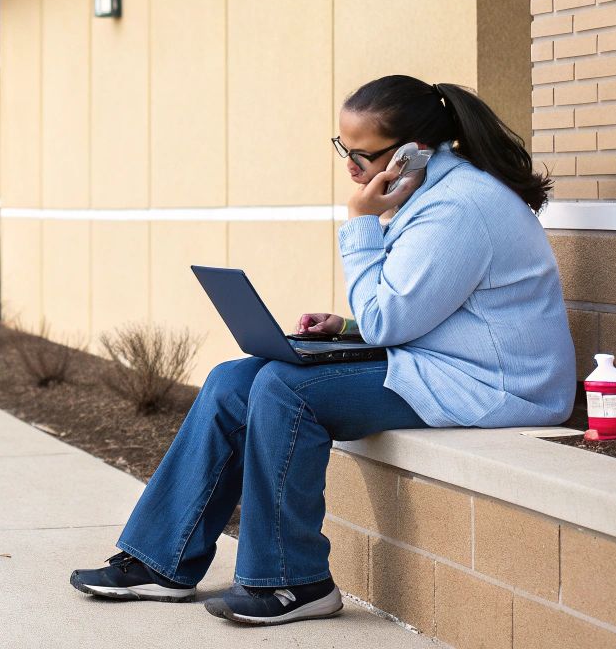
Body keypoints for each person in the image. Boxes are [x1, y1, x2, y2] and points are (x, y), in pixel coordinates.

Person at [69, 75, 575, 626]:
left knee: (286, 389)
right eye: (344, 149)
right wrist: (347, 325)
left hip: (497, 387)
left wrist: (360, 224)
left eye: (363, 154)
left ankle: (294, 581)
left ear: (413, 152)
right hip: (445, 364)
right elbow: (424, 310)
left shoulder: (458, 208)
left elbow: (391, 319)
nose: (352, 167)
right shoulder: (429, 195)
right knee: (233, 379)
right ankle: (161, 561)